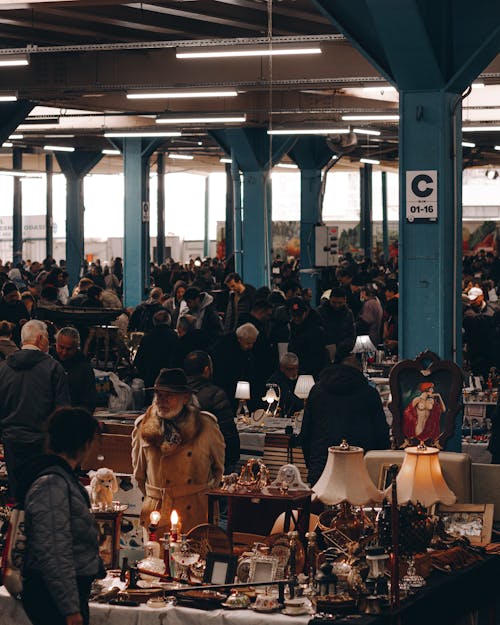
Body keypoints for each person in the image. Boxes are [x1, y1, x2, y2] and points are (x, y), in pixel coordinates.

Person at [19, 407, 102, 625]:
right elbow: (54, 550)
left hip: (64, 592)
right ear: (83, 443)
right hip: (53, 598)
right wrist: (69, 608)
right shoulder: (52, 483)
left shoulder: (62, 478)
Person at [132, 368, 225, 536]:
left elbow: (218, 471)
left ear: (185, 397)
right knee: (156, 561)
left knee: (194, 559)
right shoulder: (143, 427)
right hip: (157, 513)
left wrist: (201, 498)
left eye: (169, 395)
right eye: (159, 395)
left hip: (195, 512)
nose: (162, 400)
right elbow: (139, 475)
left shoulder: (206, 426)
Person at [0, 319, 70, 499]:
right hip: (43, 445)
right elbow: (63, 413)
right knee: (43, 498)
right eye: (47, 338)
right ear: (39, 339)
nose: (49, 342)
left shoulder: (4, 369)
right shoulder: (54, 368)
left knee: (18, 498)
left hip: (12, 443)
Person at [300, 361, 390, 485]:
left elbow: (306, 432)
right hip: (361, 467)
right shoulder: (369, 393)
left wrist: (312, 465)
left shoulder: (316, 391)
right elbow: (381, 434)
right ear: (359, 371)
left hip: (322, 467)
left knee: (322, 503)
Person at [184, 350, 240, 472]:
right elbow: (227, 433)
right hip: (208, 462)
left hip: (180, 462)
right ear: (207, 370)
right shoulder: (215, 394)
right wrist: (231, 461)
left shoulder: (176, 395)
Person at [134, 309, 179, 399]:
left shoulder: (146, 337)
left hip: (150, 379)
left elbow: (138, 360)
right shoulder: (174, 336)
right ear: (169, 321)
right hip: (169, 379)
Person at [55, 327, 97, 414]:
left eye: (69, 349)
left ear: (76, 347)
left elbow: (89, 401)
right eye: (61, 347)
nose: (64, 352)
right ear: (56, 344)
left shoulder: (84, 367)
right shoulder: (49, 362)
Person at [287, 297, 328, 379]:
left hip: (313, 370)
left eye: (299, 315)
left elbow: (318, 355)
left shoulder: (316, 328)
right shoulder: (292, 326)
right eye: (294, 315)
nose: (296, 318)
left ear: (306, 312)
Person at [316, 287, 356, 363]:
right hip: (324, 353)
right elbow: (316, 332)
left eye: (340, 303)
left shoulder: (349, 314)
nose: (337, 305)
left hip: (343, 353)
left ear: (345, 300)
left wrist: (341, 347)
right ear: (330, 299)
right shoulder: (320, 312)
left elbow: (352, 335)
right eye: (334, 302)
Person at [267, 352, 304, 417]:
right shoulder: (275, 380)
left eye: (296, 368)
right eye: (291, 369)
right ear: (282, 368)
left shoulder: (303, 377)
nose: (295, 372)